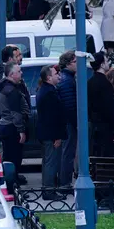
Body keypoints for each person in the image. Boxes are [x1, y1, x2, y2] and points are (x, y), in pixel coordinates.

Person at [0, 62, 31, 183]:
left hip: (7, 126)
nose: (21, 73)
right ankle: (12, 183)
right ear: (11, 74)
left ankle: (14, 179)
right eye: (19, 71)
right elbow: (15, 112)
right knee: (14, 157)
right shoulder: (11, 90)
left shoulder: (5, 86)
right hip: (12, 128)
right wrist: (21, 130)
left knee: (10, 156)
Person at [35, 65, 67, 193]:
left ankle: (49, 188)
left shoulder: (47, 90)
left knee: (49, 162)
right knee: (51, 163)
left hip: (47, 133)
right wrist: (57, 136)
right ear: (48, 77)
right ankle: (49, 191)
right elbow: (52, 117)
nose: (58, 76)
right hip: (50, 135)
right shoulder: (49, 93)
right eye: (55, 74)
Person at [87, 57, 114, 158]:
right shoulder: (105, 84)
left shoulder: (90, 82)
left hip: (95, 125)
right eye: (106, 61)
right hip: (106, 127)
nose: (108, 63)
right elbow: (111, 108)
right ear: (101, 65)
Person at [55, 50, 79, 186]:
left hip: (67, 122)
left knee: (67, 153)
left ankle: (64, 181)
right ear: (68, 64)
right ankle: (65, 182)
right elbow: (70, 106)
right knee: (67, 153)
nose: (78, 65)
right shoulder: (67, 81)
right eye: (75, 62)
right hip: (68, 123)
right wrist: (76, 123)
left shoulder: (67, 79)